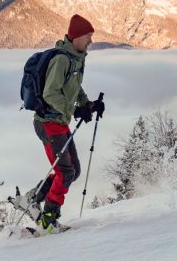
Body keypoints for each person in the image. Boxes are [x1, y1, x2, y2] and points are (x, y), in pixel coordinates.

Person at [29, 14, 105, 231]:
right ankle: (48, 220)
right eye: (88, 37)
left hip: (59, 121)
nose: (90, 41)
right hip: (47, 122)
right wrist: (75, 109)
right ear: (76, 37)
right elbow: (50, 93)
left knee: (74, 170)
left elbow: (74, 88)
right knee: (66, 172)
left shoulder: (77, 59)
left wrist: (88, 105)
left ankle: (33, 197)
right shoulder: (62, 59)